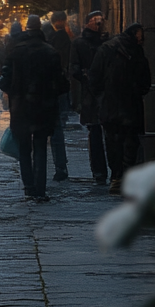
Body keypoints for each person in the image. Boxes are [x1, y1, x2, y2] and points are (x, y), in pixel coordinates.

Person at [0, 15, 69, 201]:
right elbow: (62, 84)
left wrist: (15, 93)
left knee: (24, 148)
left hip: (21, 107)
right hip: (44, 107)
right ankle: (40, 188)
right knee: (40, 147)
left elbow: (3, 80)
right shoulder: (50, 52)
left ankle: (29, 185)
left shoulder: (16, 52)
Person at [88, 22, 151, 194]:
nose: (141, 39)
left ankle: (117, 177)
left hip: (112, 105)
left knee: (114, 142)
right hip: (127, 104)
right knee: (127, 142)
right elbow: (145, 79)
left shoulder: (107, 49)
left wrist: (102, 97)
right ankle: (121, 177)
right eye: (140, 35)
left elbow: (94, 77)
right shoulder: (134, 51)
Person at [70, 11, 111, 184]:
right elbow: (73, 68)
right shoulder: (79, 43)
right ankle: (99, 171)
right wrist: (86, 77)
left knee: (110, 133)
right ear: (87, 23)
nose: (98, 25)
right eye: (95, 21)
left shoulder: (109, 42)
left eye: (101, 21)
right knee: (94, 132)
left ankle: (113, 169)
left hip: (108, 92)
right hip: (91, 95)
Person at [46, 11, 74, 181]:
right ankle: (60, 167)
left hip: (49, 93)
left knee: (52, 131)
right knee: (57, 129)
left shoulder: (54, 40)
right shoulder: (67, 38)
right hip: (59, 88)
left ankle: (52, 168)